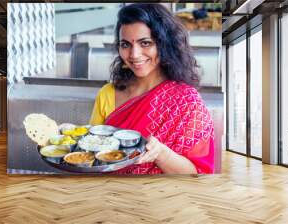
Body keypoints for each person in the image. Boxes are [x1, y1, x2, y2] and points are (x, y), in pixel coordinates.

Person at [89, 3, 215, 174]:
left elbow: (198, 173)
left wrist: (161, 154)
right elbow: (91, 155)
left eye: (145, 43)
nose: (134, 54)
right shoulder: (107, 94)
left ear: (164, 44)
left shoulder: (187, 102)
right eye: (125, 44)